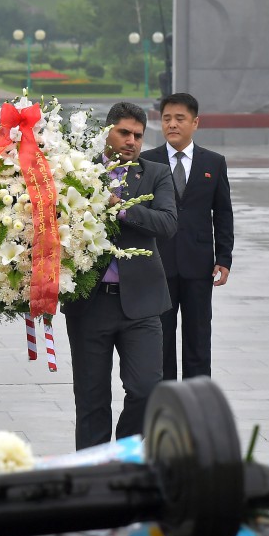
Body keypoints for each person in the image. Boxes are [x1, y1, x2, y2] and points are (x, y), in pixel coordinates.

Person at [61, 102, 178, 450]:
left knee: (146, 389)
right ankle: (92, 474)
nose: (131, 141)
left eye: (138, 136)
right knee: (91, 398)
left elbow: (168, 224)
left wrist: (123, 208)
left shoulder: (156, 173)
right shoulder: (77, 171)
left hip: (142, 304)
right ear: (106, 132)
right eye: (123, 132)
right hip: (89, 304)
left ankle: (127, 457)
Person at [140, 93, 234, 379]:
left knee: (198, 337)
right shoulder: (148, 161)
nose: (172, 124)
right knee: (161, 339)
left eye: (180, 119)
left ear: (195, 123)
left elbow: (223, 213)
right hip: (159, 265)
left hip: (198, 264)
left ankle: (197, 402)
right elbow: (140, 213)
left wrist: (224, 257)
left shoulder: (214, 163)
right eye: (167, 118)